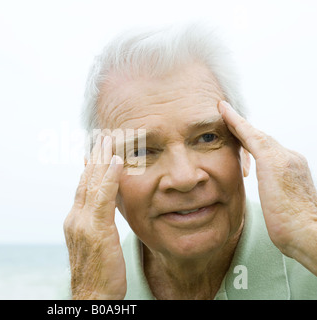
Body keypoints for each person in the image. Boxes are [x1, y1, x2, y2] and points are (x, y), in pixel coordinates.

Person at [63, 23, 317, 300]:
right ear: (97, 181)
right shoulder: (82, 291)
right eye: (141, 151)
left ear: (245, 150)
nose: (184, 178)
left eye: (207, 137)